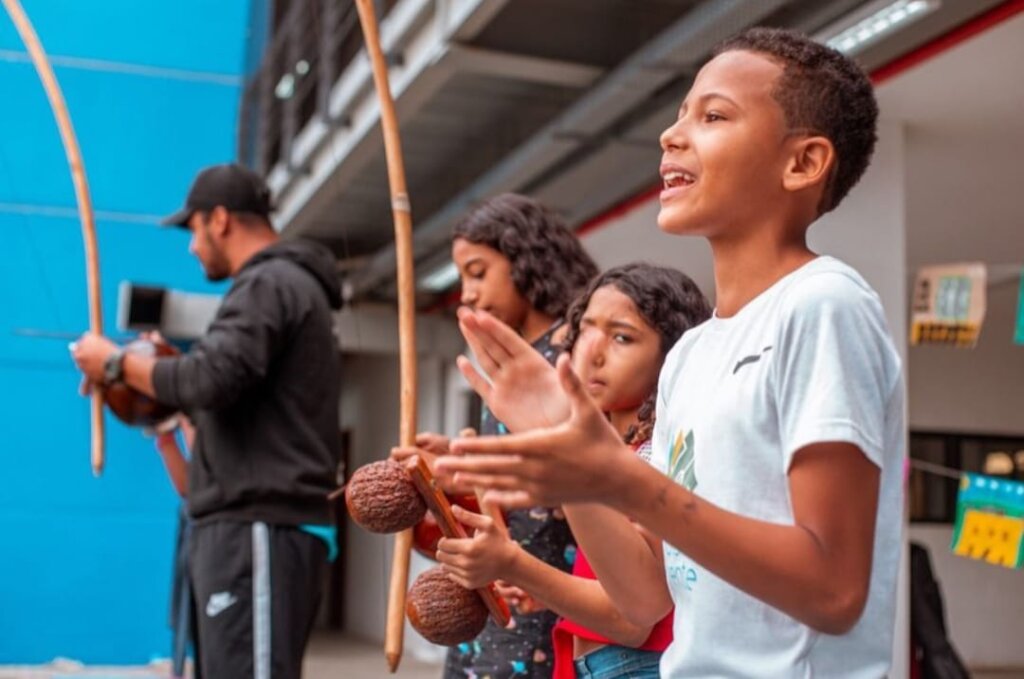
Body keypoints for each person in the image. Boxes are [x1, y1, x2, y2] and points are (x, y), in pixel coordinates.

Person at [437, 27, 905, 677]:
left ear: (802, 162)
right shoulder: (691, 355)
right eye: (680, 112)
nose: (671, 134)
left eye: (713, 115)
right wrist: (569, 452)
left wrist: (622, 476)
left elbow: (833, 591)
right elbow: (643, 599)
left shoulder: (824, 306)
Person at [70, 163, 342, 679]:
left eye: (193, 230)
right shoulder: (279, 286)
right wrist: (140, 382)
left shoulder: (270, 282)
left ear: (219, 219)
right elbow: (213, 390)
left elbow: (208, 379)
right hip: (250, 530)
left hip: (260, 528)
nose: (192, 246)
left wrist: (114, 362)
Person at [435, 264, 710, 679]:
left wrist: (513, 564)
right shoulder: (621, 451)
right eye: (585, 329)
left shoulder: (655, 456)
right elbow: (615, 589)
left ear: (672, 355)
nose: (592, 352)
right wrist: (543, 589)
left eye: (622, 337)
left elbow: (631, 622)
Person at [394, 193, 598, 678]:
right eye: (463, 275)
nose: (465, 292)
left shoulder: (577, 354)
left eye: (478, 271)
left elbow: (588, 467)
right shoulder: (516, 358)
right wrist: (461, 457)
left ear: (526, 262)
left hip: (548, 594)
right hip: (495, 595)